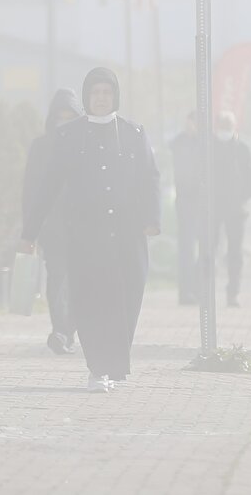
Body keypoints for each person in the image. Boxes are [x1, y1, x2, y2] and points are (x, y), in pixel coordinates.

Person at [22, 68, 161, 393]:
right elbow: (48, 185)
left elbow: (150, 177)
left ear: (115, 97)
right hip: (86, 235)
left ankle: (113, 363)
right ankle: (98, 368)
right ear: (87, 97)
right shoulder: (69, 136)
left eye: (107, 93)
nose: (101, 99)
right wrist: (29, 233)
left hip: (127, 235)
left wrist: (151, 217)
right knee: (91, 302)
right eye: (96, 93)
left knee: (128, 298)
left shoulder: (134, 133)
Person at [21, 89, 82, 355]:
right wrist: (29, 232)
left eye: (70, 117)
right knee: (57, 277)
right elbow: (30, 190)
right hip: (52, 227)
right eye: (60, 117)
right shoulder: (41, 147)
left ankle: (70, 329)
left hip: (83, 226)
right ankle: (60, 330)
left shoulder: (87, 145)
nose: (64, 122)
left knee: (81, 280)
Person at [213, 110, 251, 308]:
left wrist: (244, 196)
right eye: (222, 126)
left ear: (234, 127)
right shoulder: (209, 147)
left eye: (228, 126)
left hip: (236, 208)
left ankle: (233, 292)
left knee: (235, 252)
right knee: (210, 249)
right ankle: (205, 293)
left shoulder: (242, 149)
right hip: (213, 208)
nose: (225, 130)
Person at [169, 111, 202, 305]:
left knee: (207, 247)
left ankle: (198, 288)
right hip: (186, 201)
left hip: (203, 202)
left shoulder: (205, 143)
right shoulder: (179, 143)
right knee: (187, 249)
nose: (192, 126)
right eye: (190, 122)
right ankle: (186, 292)